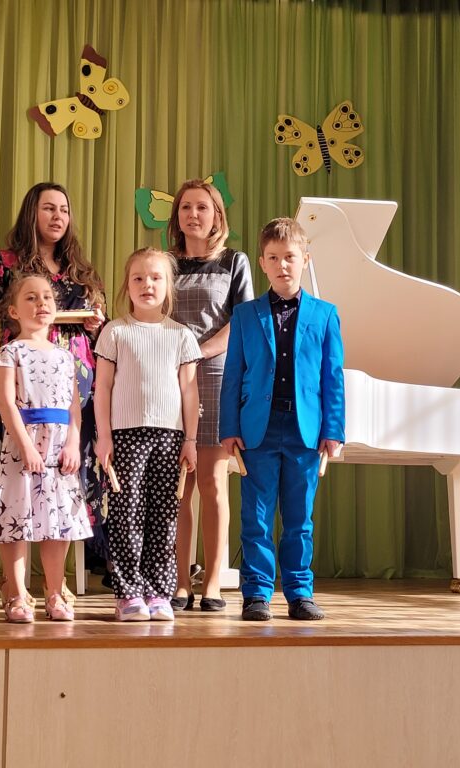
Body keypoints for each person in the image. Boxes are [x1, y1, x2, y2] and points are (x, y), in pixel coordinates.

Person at [0, 183, 107, 588]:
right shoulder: (1, 264)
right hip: (19, 395)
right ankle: (13, 583)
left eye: (64, 209)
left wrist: (94, 325)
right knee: (17, 483)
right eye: (49, 208)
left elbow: (101, 332)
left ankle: (56, 586)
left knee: (63, 481)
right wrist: (29, 341)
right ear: (32, 213)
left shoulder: (81, 272)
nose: (58, 216)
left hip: (69, 398)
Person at [219, 218, 345, 621]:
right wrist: (229, 428)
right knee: (255, 518)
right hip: (257, 429)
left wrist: (333, 429)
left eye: (290, 257)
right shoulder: (245, 315)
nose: (282, 265)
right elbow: (233, 374)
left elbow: (333, 377)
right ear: (262, 263)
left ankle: (299, 593)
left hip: (305, 431)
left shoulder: (326, 315)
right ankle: (256, 594)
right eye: (273, 258)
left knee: (299, 520)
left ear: (305, 259)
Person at [0, 274, 92, 622]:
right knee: (17, 515)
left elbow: (74, 407)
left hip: (59, 447)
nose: (41, 303)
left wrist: (73, 443)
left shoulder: (65, 357)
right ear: (14, 310)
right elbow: (6, 404)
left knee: (57, 521)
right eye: (30, 298)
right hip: (23, 443)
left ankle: (55, 592)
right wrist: (26, 446)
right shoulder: (10, 352)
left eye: (47, 297)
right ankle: (16, 593)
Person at [94, 247, 201, 621]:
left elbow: (189, 392)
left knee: (164, 516)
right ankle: (128, 593)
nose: (147, 285)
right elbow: (103, 388)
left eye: (156, 278)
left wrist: (190, 440)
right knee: (126, 514)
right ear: (127, 285)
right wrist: (104, 437)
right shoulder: (115, 331)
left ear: (169, 285)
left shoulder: (181, 336)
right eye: (138, 278)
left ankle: (158, 592)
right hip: (125, 437)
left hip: (169, 439)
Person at [167, 179, 254, 612]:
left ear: (217, 215)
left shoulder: (234, 261)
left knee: (211, 482)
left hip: (217, 374)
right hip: (168, 376)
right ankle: (180, 581)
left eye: (202, 207)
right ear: (177, 216)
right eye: (186, 207)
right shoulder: (166, 262)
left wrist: (198, 352)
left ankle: (213, 583)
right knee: (178, 487)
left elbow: (242, 321)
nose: (193, 214)